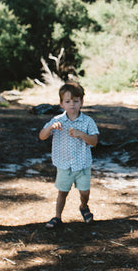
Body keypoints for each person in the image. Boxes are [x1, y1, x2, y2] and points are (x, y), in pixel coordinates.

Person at [39, 82, 99, 228]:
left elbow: (94, 142)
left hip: (82, 164)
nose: (72, 105)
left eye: (75, 101)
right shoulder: (57, 120)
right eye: (68, 101)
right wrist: (50, 127)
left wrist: (82, 135)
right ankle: (57, 217)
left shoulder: (87, 121)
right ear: (61, 104)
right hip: (64, 164)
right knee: (62, 192)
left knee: (85, 191)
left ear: (81, 103)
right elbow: (42, 136)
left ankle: (84, 206)